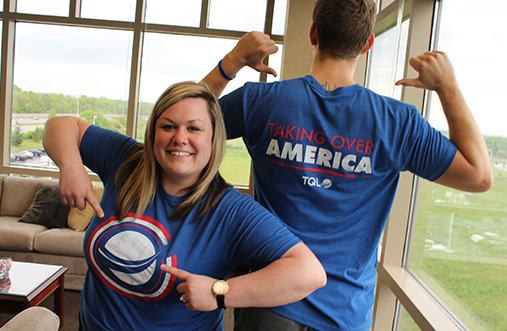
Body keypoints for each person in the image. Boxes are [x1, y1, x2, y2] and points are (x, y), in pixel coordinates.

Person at [200, 0, 494, 330]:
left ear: (313, 33)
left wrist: (232, 62)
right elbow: (479, 176)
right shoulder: (397, 123)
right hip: (345, 313)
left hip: (270, 304)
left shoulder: (259, 101)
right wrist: (447, 87)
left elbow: (179, 125)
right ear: (368, 43)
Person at [42, 81, 327, 331]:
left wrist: (221, 293)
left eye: (194, 128)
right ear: (154, 132)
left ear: (214, 139)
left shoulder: (230, 212)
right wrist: (71, 166)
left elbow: (308, 272)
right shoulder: (127, 161)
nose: (180, 138)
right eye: (168, 126)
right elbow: (61, 124)